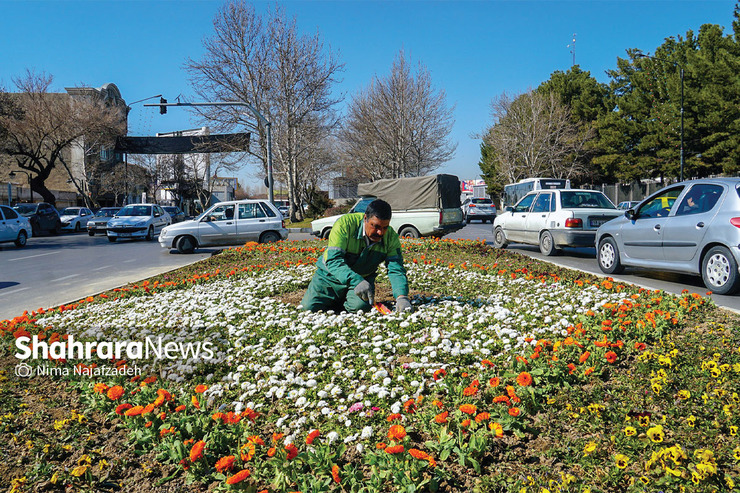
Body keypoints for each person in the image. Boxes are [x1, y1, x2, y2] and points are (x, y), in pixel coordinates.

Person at [301, 199, 412, 313]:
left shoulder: (391, 237)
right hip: (329, 277)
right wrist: (356, 281)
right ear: (365, 218)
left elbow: (396, 269)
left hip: (363, 280)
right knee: (308, 309)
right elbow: (333, 260)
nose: (380, 232)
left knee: (360, 308)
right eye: (376, 226)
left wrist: (401, 296)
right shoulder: (345, 225)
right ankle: (336, 300)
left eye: (385, 227)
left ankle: (345, 301)